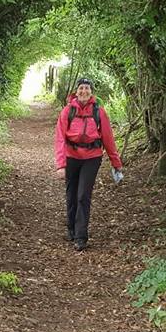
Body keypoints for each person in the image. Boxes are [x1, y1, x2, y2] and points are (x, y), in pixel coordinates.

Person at [54, 77, 123, 251]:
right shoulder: (67, 111)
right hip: (71, 156)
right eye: (81, 88)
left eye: (87, 88)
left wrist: (116, 163)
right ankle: (71, 227)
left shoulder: (99, 112)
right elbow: (60, 138)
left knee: (83, 195)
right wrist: (61, 164)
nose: (84, 91)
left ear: (91, 92)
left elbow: (108, 138)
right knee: (71, 194)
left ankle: (81, 236)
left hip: (92, 157)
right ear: (76, 92)